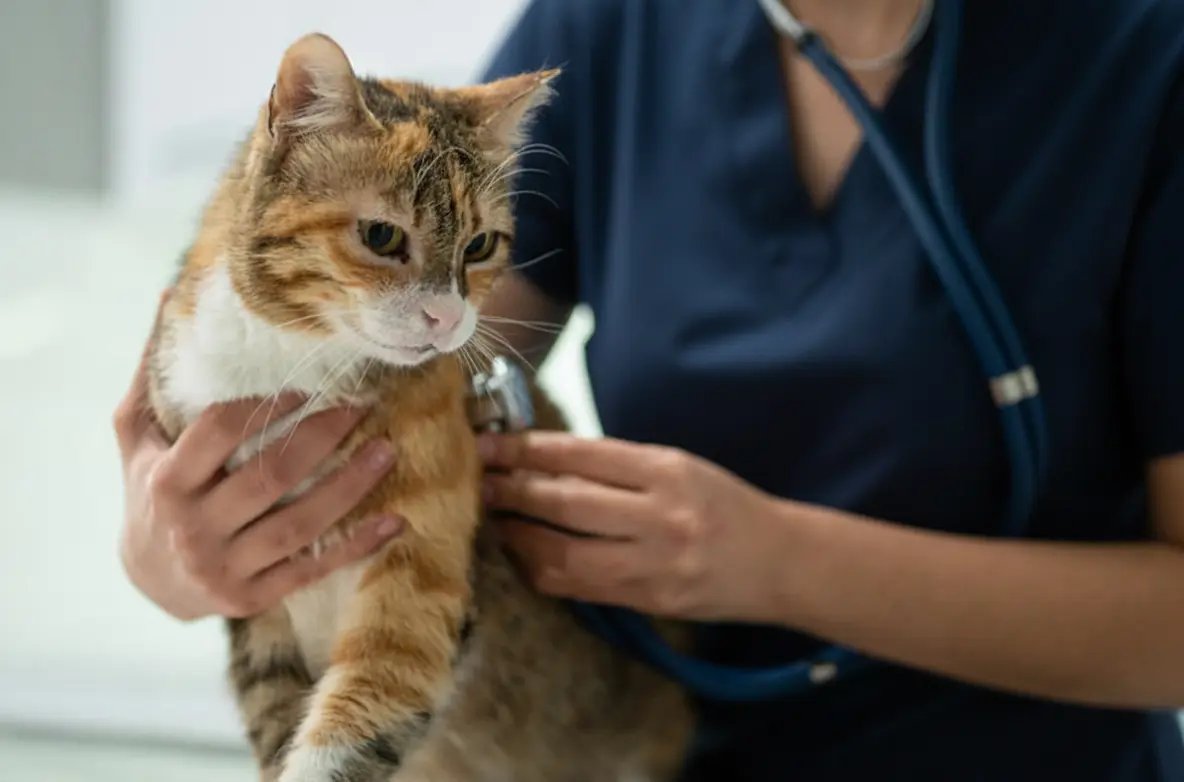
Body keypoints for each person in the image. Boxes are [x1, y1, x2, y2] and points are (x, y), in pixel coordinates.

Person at [113, 0, 1184, 779]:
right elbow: (425, 351)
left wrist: (775, 563)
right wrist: (177, 542)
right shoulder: (614, 28)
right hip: (626, 747)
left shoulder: (1145, 62)